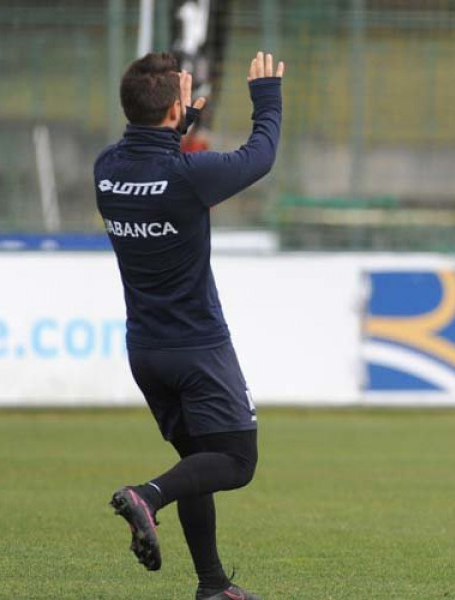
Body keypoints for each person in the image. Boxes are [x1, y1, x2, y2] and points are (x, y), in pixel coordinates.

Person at [96, 50, 284, 600]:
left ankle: (212, 586)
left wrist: (180, 120)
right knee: (235, 461)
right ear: (175, 105)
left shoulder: (106, 169)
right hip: (198, 347)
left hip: (145, 350)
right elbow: (261, 155)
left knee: (196, 462)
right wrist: (267, 96)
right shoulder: (189, 175)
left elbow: (148, 166)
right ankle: (146, 497)